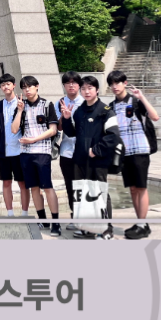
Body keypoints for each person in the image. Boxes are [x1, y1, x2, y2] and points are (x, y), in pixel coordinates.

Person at [60, 75, 121, 240]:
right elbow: (72, 133)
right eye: (84, 89)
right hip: (79, 159)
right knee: (82, 194)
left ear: (97, 90)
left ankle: (106, 230)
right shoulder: (79, 111)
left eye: (90, 88)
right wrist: (67, 119)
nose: (86, 92)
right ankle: (87, 228)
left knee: (99, 194)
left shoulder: (105, 111)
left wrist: (96, 150)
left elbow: (114, 135)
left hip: (98, 160)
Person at [106, 70, 160, 240]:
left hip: (139, 150)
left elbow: (155, 117)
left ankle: (142, 224)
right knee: (133, 188)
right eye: (112, 84)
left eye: (117, 83)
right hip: (124, 153)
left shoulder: (136, 101)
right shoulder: (111, 107)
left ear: (125, 83)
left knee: (141, 187)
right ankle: (140, 223)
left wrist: (142, 97)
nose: (115, 86)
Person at [10, 75, 61, 236]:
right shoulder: (21, 106)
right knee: (33, 187)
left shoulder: (47, 105)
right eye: (24, 88)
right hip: (25, 153)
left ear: (37, 86)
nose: (27, 90)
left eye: (29, 86)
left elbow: (53, 130)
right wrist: (19, 111)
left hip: (42, 152)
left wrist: (33, 139)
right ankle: (43, 219)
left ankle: (55, 222)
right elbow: (14, 129)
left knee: (47, 187)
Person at [0, 73, 30, 217]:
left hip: (20, 150)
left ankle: (24, 213)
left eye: (8, 84)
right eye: (2, 85)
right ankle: (10, 213)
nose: (5, 87)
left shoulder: (22, 103)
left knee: (22, 183)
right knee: (6, 182)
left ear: (13, 85)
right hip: (3, 150)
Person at [55, 71, 84, 231]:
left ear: (79, 85)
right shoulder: (60, 103)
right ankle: (75, 216)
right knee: (70, 186)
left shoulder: (86, 102)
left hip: (85, 151)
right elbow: (58, 128)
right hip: (66, 151)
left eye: (74, 82)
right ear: (64, 85)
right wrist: (63, 116)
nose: (71, 85)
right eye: (68, 82)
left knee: (84, 186)